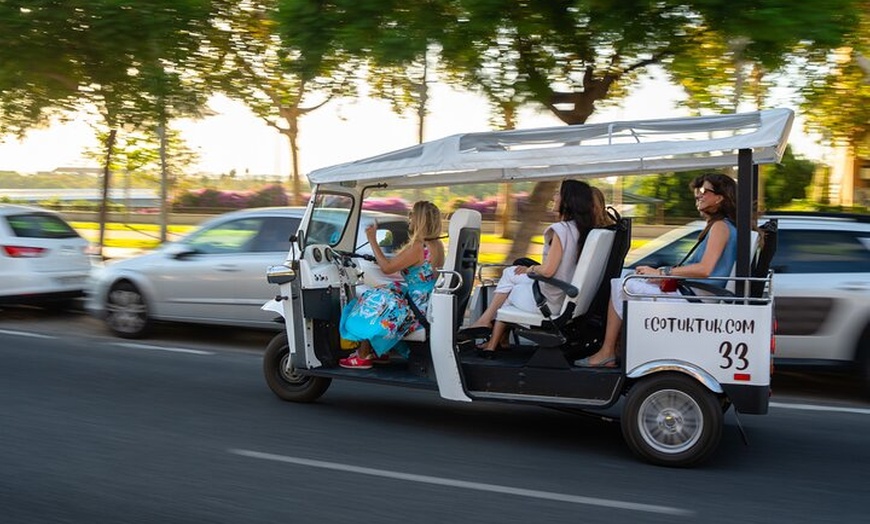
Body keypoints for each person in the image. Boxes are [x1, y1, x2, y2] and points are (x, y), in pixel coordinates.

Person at [575, 173, 738, 368]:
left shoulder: (720, 227)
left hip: (696, 295)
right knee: (629, 277)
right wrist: (662, 272)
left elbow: (705, 269)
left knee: (622, 285)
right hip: (696, 292)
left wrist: (662, 274)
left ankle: (607, 351)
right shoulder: (721, 226)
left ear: (719, 197)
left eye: (704, 191)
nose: (698, 195)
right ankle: (617, 347)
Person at [470, 180, 597, 355]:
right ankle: (494, 338)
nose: (554, 197)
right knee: (510, 276)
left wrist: (531, 270)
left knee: (509, 287)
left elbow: (548, 271)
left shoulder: (561, 230)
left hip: (550, 301)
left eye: (558, 194)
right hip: (565, 296)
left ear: (567, 200)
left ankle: (488, 329)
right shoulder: (584, 230)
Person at [338, 201, 445, 369]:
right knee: (382, 291)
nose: (409, 219)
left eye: (412, 216)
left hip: (417, 307)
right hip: (424, 299)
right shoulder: (436, 244)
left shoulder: (418, 247)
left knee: (371, 300)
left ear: (418, 220)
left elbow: (387, 268)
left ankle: (363, 355)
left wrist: (372, 240)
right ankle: (380, 351)